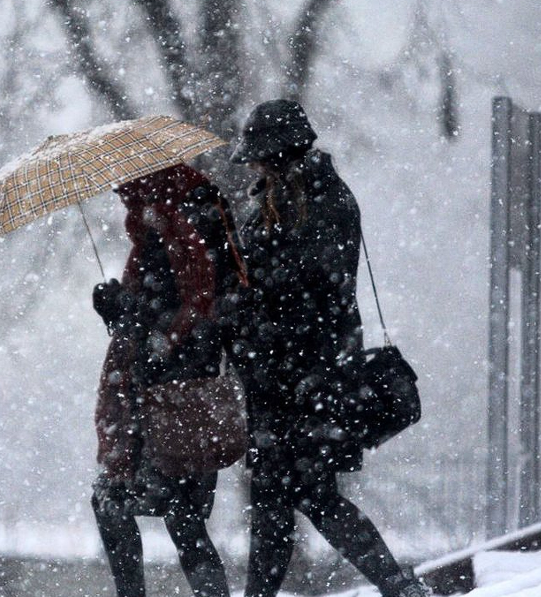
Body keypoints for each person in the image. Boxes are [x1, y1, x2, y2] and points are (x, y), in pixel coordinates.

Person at [228, 100, 431, 597]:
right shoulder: (276, 202)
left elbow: (316, 289)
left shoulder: (324, 202)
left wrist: (250, 291)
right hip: (281, 379)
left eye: (258, 156)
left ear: (278, 154)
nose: (252, 165)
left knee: (302, 496)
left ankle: (398, 587)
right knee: (287, 499)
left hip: (307, 378)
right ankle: (397, 587)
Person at [90, 164, 242, 597]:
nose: (121, 197)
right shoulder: (167, 227)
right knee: (178, 517)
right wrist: (117, 308)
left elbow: (189, 310)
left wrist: (142, 324)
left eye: (127, 188)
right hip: (174, 398)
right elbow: (163, 311)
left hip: (169, 401)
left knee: (129, 505)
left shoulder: (173, 226)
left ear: (147, 185)